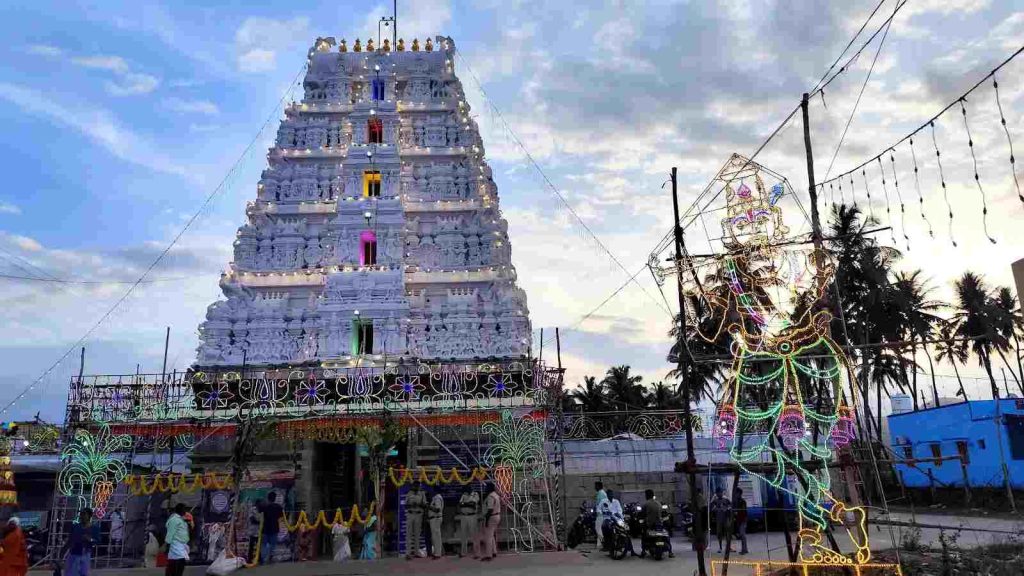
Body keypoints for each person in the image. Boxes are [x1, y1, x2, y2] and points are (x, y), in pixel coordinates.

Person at [63, 508, 93, 576]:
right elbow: (69, 540)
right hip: (74, 553)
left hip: (84, 554)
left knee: (82, 573)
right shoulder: (75, 526)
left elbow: (96, 541)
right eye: (80, 514)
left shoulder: (93, 528)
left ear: (89, 516)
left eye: (83, 514)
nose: (81, 516)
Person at [257, 492, 284, 565]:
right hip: (274, 528)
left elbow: (259, 511)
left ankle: (264, 558)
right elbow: (281, 517)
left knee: (264, 544)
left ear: (268, 498)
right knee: (273, 544)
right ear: (275, 498)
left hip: (265, 528)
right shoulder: (278, 507)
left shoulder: (265, 506)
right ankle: (270, 557)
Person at [165, 504, 190, 576]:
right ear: (180, 510)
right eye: (184, 510)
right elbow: (170, 533)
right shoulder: (174, 520)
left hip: (181, 545)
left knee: (176, 565)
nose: (185, 512)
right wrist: (167, 544)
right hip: (176, 545)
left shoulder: (180, 519)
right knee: (177, 564)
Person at [479, 482, 501, 562]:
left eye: (486, 487)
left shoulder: (491, 496)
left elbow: (490, 509)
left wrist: (486, 520)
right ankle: (494, 552)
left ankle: (489, 555)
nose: (485, 489)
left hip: (491, 517)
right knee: (491, 535)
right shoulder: (496, 495)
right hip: (497, 516)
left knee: (488, 537)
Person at [404, 484, 426, 559]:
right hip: (410, 514)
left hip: (418, 515)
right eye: (415, 486)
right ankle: (408, 553)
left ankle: (417, 552)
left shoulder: (422, 494)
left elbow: (424, 504)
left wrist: (419, 504)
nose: (416, 488)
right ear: (413, 487)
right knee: (409, 534)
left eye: (418, 487)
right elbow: (405, 505)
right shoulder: (409, 493)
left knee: (417, 535)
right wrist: (411, 504)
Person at [457, 485, 479, 558]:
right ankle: (463, 553)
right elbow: (460, 504)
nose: (466, 491)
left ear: (470, 488)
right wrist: (467, 504)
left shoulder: (475, 494)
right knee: (463, 535)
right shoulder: (464, 495)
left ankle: (476, 553)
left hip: (472, 516)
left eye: (467, 489)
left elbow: (473, 504)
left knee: (474, 535)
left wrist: (465, 504)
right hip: (463, 516)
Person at [710, 488, 732, 553]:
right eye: (718, 493)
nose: (719, 494)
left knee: (727, 533)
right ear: (716, 493)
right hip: (718, 520)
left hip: (726, 519)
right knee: (719, 533)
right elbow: (711, 507)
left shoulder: (726, 499)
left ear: (722, 492)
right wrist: (716, 509)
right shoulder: (715, 500)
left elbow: (730, 506)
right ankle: (720, 547)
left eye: (720, 492)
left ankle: (728, 547)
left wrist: (727, 509)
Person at [427, 489, 444, 559]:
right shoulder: (434, 498)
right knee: (434, 537)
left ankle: (438, 554)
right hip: (433, 518)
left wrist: (429, 507)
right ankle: (436, 553)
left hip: (436, 518)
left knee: (437, 537)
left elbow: (438, 509)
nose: (431, 491)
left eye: (432, 489)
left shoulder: (437, 498)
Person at [593, 481, 608, 550]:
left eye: (595, 486)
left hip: (601, 515)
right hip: (601, 514)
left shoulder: (601, 493)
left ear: (599, 486)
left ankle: (604, 543)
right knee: (599, 529)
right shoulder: (602, 493)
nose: (595, 487)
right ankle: (600, 544)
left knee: (598, 529)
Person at [733, 488, 749, 555]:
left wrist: (737, 512)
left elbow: (743, 511)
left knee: (742, 535)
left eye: (737, 493)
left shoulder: (742, 501)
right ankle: (744, 549)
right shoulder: (736, 501)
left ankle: (744, 549)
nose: (736, 495)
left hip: (742, 520)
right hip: (739, 520)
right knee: (742, 535)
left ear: (739, 494)